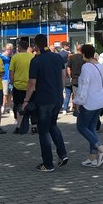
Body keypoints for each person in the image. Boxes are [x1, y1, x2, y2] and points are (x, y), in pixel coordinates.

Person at [21, 34, 69, 172]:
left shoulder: (36, 61)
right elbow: (63, 75)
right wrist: (60, 91)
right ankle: (63, 154)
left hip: (44, 100)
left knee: (44, 132)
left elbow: (32, 83)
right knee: (53, 125)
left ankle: (48, 164)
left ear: (36, 45)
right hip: (57, 98)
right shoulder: (57, 57)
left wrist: (26, 101)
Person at [73, 44, 103, 167]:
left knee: (81, 127)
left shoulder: (86, 67)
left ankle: (102, 150)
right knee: (91, 128)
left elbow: (84, 85)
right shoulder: (99, 66)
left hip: (89, 102)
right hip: (100, 101)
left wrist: (78, 101)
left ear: (83, 54)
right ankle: (92, 158)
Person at [10, 38, 35, 134]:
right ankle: (34, 126)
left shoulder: (15, 57)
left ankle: (19, 126)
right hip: (31, 86)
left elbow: (11, 72)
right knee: (32, 106)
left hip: (18, 86)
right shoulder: (32, 57)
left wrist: (12, 82)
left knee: (19, 106)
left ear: (19, 47)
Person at [67, 43, 85, 115]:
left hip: (75, 79)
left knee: (76, 94)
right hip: (83, 79)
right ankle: (81, 109)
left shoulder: (72, 57)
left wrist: (70, 76)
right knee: (83, 95)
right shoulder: (84, 58)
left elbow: (68, 68)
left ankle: (76, 110)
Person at [0, 43, 13, 114]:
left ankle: (8, 107)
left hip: (11, 76)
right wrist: (3, 54)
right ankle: (3, 106)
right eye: (8, 49)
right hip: (5, 77)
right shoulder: (2, 56)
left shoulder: (13, 56)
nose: (9, 51)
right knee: (5, 93)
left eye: (10, 49)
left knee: (10, 93)